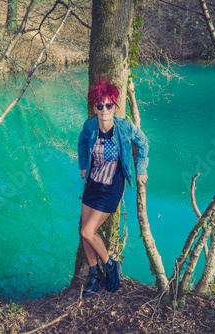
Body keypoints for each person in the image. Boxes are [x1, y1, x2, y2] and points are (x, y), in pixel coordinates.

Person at [78, 79, 149, 296]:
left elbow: (144, 142)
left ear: (115, 106)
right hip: (93, 183)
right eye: (100, 106)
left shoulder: (125, 126)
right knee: (84, 232)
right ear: (94, 108)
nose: (104, 110)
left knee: (88, 231)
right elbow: (81, 142)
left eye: (109, 105)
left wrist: (141, 169)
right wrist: (83, 165)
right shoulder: (89, 126)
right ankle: (94, 273)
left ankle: (110, 265)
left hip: (111, 186)